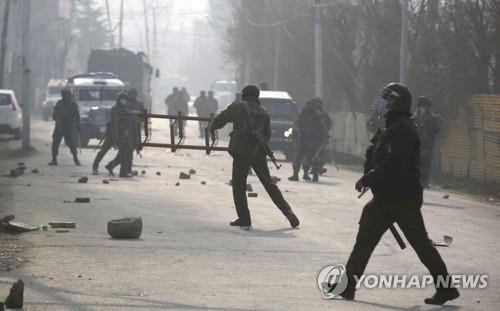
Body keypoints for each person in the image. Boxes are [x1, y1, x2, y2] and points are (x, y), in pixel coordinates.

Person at [333, 83, 459, 305]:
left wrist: (369, 178)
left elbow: (395, 162)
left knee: (421, 244)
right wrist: (370, 175)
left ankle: (446, 288)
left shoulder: (404, 129)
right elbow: (377, 155)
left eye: (388, 100)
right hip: (383, 199)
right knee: (364, 241)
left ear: (398, 103)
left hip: (403, 198)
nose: (383, 104)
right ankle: (348, 286)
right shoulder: (389, 127)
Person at [210, 85, 300, 230]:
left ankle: (244, 218)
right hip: (258, 151)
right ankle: (288, 212)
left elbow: (219, 121)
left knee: (239, 185)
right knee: (269, 184)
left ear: (244, 95)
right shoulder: (264, 113)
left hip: (241, 151)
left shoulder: (238, 107)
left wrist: (211, 126)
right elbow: (267, 135)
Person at [288, 98, 326, 182]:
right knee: (311, 158)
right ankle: (311, 175)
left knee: (300, 157)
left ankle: (297, 175)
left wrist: (295, 134)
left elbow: (297, 124)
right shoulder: (317, 114)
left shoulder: (306, 113)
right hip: (310, 140)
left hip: (304, 139)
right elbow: (323, 127)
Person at [105, 92, 136, 178]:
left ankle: (111, 166)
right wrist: (124, 130)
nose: (124, 101)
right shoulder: (115, 109)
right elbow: (116, 122)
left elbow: (128, 120)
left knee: (125, 153)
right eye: (123, 99)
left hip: (126, 134)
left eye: (125, 100)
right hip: (118, 133)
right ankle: (123, 172)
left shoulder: (125, 109)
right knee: (125, 153)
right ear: (119, 100)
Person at [49, 88, 81, 166]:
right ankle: (54, 159)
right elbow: (55, 114)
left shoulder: (73, 104)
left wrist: (78, 125)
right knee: (55, 143)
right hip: (60, 126)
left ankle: (75, 158)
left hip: (68, 126)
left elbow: (77, 116)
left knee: (71, 143)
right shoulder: (59, 103)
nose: (65, 96)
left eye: (66, 94)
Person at [414, 96, 440, 188]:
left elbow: (436, 130)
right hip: (415, 146)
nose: (423, 108)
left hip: (427, 145)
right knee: (415, 164)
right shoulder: (414, 118)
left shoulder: (432, 118)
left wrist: (430, 118)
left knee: (426, 164)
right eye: (422, 106)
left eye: (425, 106)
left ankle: (424, 182)